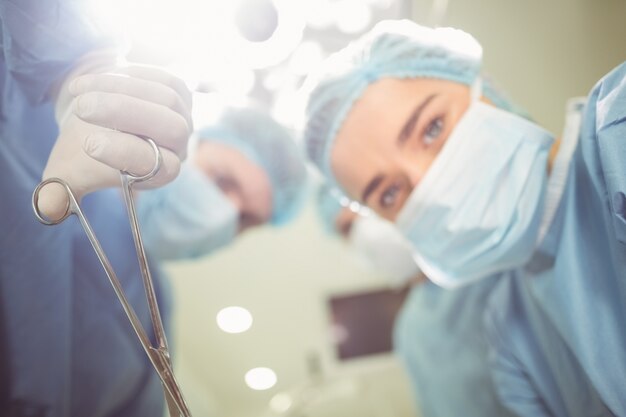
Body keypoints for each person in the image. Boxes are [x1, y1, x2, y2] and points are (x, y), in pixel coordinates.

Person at [302, 20, 626, 416]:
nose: (427, 183)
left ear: (485, 87)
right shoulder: (509, 333)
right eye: (389, 193)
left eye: (432, 128)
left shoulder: (618, 135)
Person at [0, 1, 193, 416]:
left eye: (247, 220)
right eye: (229, 184)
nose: (225, 212)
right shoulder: (67, 153)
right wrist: (81, 66)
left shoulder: (151, 290)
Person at [316, 184, 514, 417]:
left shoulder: (493, 266)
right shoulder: (412, 329)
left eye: (367, 209)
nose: (365, 229)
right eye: (349, 227)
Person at [137, 107, 309, 261]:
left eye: (243, 218)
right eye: (223, 182)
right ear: (195, 143)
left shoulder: (142, 288)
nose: (220, 215)